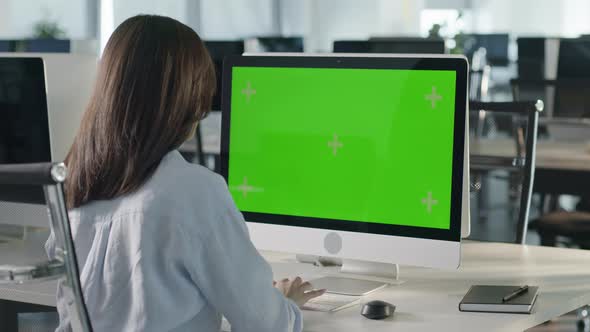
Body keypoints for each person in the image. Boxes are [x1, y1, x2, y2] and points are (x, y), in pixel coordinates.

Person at [46, 15, 325, 332]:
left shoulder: (72, 183)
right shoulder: (193, 191)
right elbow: (263, 323)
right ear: (189, 99)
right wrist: (283, 302)